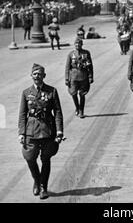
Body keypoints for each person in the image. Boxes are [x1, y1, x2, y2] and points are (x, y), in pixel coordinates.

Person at [18, 63, 64, 200]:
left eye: (40, 74)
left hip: (47, 130)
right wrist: (21, 133)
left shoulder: (52, 91)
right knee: (29, 158)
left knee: (46, 158)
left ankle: (43, 187)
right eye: (35, 74)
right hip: (31, 131)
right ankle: (36, 181)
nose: (37, 76)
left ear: (44, 76)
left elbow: (58, 112)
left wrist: (60, 131)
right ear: (31, 76)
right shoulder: (26, 93)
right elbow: (22, 114)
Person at [65, 38, 94, 118]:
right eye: (76, 44)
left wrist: (91, 76)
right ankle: (77, 107)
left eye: (79, 44)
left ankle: (81, 110)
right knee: (73, 93)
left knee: (82, 94)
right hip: (73, 77)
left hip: (83, 76)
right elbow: (67, 67)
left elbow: (90, 66)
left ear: (82, 44)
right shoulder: (71, 54)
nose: (77, 45)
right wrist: (67, 78)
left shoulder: (86, 53)